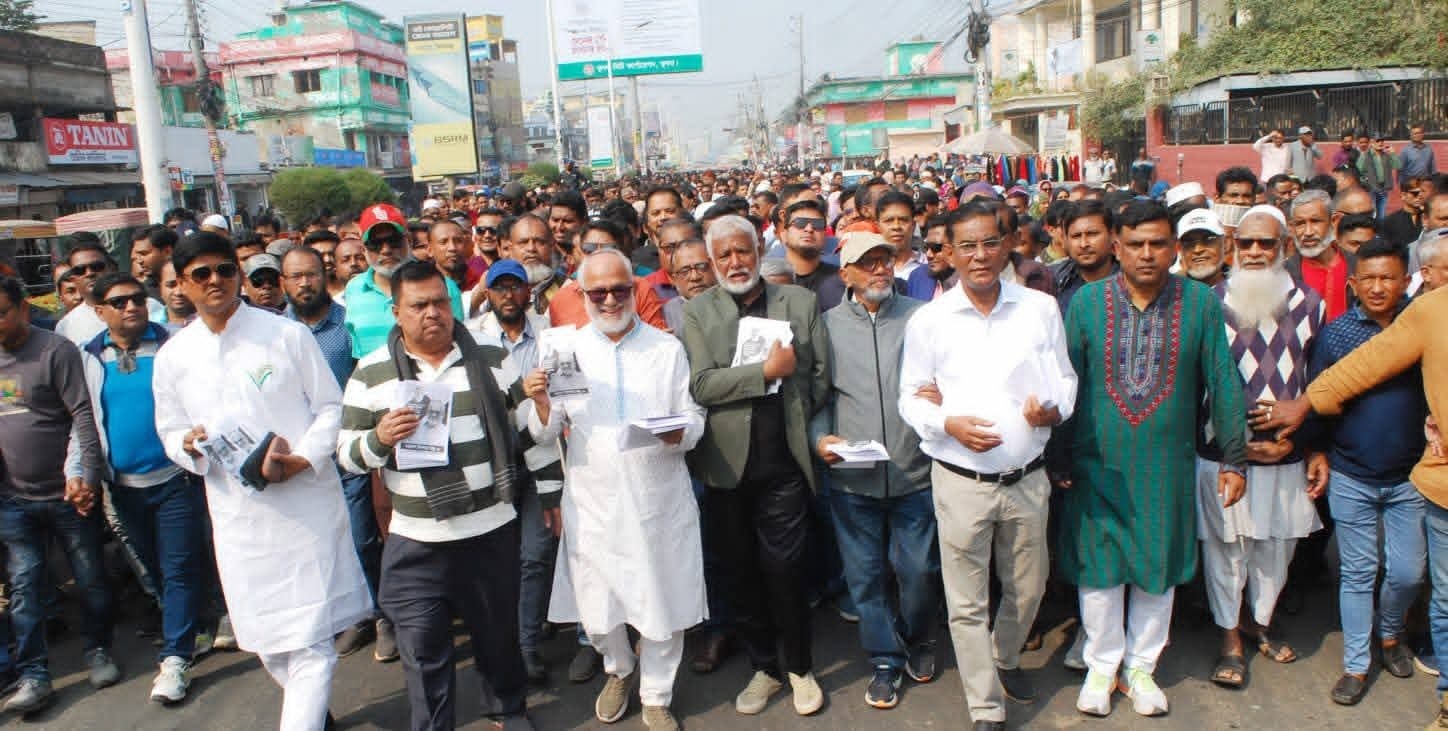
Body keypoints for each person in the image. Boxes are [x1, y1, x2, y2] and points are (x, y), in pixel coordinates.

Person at [154, 232, 372, 731]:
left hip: (304, 508)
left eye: (224, 269)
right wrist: (186, 445)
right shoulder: (175, 355)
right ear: (183, 284)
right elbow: (168, 429)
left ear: (239, 274)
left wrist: (301, 459)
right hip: (239, 519)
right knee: (268, 643)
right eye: (201, 274)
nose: (215, 281)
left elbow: (330, 408)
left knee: (313, 643)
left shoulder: (284, 335)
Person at [338, 259, 559, 731]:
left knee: (498, 635)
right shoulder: (371, 374)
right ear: (396, 311)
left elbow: (527, 436)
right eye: (419, 305)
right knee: (422, 648)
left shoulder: (490, 359)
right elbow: (348, 458)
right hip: (417, 540)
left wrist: (542, 419)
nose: (432, 313)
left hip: (491, 529)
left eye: (440, 302)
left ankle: (509, 709)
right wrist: (379, 438)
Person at [1054, 200, 1247, 718]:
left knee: (1156, 565)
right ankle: (1101, 665)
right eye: (1135, 243)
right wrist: (1060, 457)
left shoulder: (1202, 304)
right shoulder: (1088, 304)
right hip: (1098, 462)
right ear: (1116, 246)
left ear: (1174, 248)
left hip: (1168, 463)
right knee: (1100, 566)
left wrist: (1233, 457)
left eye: (1158, 243)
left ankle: (1141, 667)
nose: (1146, 254)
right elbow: (1067, 382)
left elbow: (1223, 382)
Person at [899, 203, 1076, 729]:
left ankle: (1005, 656)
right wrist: (946, 423)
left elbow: (1066, 380)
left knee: (1029, 586)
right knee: (966, 600)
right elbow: (911, 397)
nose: (980, 256)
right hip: (960, 482)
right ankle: (985, 704)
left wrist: (1054, 410)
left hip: (1027, 477)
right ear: (949, 253)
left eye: (990, 243)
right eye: (967, 246)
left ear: (1008, 244)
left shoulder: (1039, 309)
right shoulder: (929, 320)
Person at [524, 250, 705, 730]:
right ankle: (619, 669)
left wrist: (679, 432)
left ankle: (656, 693)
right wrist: (541, 403)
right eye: (597, 292)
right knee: (598, 603)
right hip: (593, 499)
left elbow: (693, 419)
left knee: (661, 594)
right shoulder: (565, 351)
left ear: (635, 291)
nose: (609, 299)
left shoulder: (664, 349)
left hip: (657, 495)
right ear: (581, 295)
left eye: (619, 290)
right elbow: (546, 433)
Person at [679, 214, 830, 717]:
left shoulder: (800, 302)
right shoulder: (699, 312)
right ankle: (765, 668)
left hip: (784, 464)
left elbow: (818, 377)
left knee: (786, 570)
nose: (734, 263)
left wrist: (801, 411)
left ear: (757, 249)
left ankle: (800, 668)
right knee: (740, 574)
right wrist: (763, 373)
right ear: (712, 260)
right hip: (725, 468)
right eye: (723, 255)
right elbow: (702, 385)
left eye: (742, 251)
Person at [1196, 207, 1326, 690]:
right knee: (1226, 550)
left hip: (1285, 455)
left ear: (1284, 248)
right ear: (1232, 247)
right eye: (1246, 243)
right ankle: (1229, 638)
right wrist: (1240, 448)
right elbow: (1194, 388)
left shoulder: (1311, 304)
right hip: (1222, 457)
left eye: (1266, 244)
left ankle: (1261, 621)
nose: (1255, 253)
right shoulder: (1205, 303)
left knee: (1277, 549)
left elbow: (1319, 381)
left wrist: (1305, 444)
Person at [64, 272, 206, 704]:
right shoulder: (88, 357)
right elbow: (82, 423)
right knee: (152, 567)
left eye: (138, 300)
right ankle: (186, 626)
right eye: (120, 302)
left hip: (175, 479)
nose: (132, 308)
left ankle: (175, 658)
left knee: (179, 566)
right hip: (123, 488)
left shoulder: (173, 346)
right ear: (100, 310)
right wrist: (78, 471)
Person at [814, 234, 940, 710]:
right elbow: (817, 399)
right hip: (853, 480)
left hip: (914, 473)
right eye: (867, 264)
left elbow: (947, 375)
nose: (879, 270)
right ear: (845, 274)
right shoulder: (826, 327)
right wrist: (819, 439)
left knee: (918, 570)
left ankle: (919, 638)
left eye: (885, 260)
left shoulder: (921, 317)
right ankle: (885, 660)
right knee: (865, 577)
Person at [1304, 239, 1427, 705]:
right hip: (1352, 472)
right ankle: (1357, 664)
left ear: (1404, 281)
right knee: (1357, 572)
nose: (1378, 288)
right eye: (1369, 279)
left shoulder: (1421, 328)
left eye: (1388, 278)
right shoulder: (1336, 335)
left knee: (1407, 573)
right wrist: (1315, 449)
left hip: (1409, 476)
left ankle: (1390, 634)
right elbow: (1316, 396)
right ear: (1353, 284)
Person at [0, 275, 115, 714]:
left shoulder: (54, 351)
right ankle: (34, 674)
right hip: (14, 500)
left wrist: (87, 476)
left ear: (24, 309)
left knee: (89, 577)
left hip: (68, 495)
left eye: (2, 313)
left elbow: (83, 417)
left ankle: (98, 649)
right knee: (25, 584)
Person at [279, 247, 393, 663]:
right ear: (283, 283)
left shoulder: (349, 325)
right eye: (294, 277)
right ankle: (347, 616)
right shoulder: (275, 333)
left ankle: (383, 616)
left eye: (310, 274)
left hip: (347, 449)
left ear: (323, 275)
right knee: (320, 544)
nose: (304, 284)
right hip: (298, 457)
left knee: (363, 535)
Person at [344, 203, 465, 359]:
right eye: (376, 244)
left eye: (393, 240)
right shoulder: (354, 289)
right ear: (363, 249)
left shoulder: (443, 287)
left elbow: (458, 349)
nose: (386, 250)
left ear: (408, 240)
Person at [547, 220, 667, 331]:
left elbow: (656, 341)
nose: (598, 254)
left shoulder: (640, 288)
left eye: (608, 248)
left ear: (621, 252)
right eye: (589, 248)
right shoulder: (561, 299)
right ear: (579, 252)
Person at [57, 240, 164, 345]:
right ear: (72, 278)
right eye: (79, 270)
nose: (89, 273)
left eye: (97, 267)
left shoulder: (148, 305)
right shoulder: (66, 326)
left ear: (111, 268)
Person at [1287, 191, 1356, 321]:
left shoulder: (1358, 266)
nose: (1308, 232)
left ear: (1334, 221)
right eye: (1300, 223)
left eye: (1315, 221)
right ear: (1292, 227)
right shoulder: (1284, 274)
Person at [1051, 200, 1120, 311]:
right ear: (1065, 240)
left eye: (1092, 234)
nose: (1084, 244)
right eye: (1076, 236)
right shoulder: (1053, 280)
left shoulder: (1131, 281)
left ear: (1112, 235)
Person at [779, 199, 844, 310]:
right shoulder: (769, 280)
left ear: (825, 235)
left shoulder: (843, 279)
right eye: (800, 223)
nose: (809, 229)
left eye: (817, 224)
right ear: (784, 234)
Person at [662, 240, 717, 333]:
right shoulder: (667, 313)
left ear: (714, 267)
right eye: (685, 271)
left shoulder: (733, 302)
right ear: (674, 279)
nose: (695, 277)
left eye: (701, 267)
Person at [905, 215, 954, 301]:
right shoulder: (917, 277)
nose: (929, 254)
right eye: (926, 247)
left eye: (936, 248)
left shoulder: (973, 284)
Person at [1357, 132, 1400, 220]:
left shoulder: (1386, 155)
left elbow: (1398, 166)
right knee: (1372, 214)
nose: (1380, 143)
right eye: (1378, 141)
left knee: (1381, 215)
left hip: (1383, 188)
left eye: (1382, 141)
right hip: (1371, 188)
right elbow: (1359, 169)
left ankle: (1380, 232)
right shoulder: (1366, 155)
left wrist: (1393, 153)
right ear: (1372, 143)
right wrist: (1365, 182)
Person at [1385, 175, 1430, 249]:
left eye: (1422, 193)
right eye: (1415, 193)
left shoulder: (1431, 218)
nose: (1420, 196)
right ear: (1403, 195)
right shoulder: (1390, 221)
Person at [132, 225, 177, 300]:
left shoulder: (193, 283)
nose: (139, 261)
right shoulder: (141, 293)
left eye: (144, 254)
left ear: (167, 252)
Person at [157, 260, 195, 330]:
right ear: (160, 288)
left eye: (184, 284)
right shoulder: (149, 324)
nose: (178, 292)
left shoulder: (212, 322)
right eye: (171, 285)